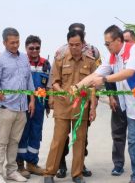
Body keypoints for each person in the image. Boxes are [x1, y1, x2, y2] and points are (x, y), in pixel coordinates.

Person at [75, 25, 135, 183]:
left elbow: (129, 72)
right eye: (105, 44)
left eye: (108, 43)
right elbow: (96, 74)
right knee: (134, 142)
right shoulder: (112, 57)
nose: (106, 47)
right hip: (132, 106)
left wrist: (105, 79)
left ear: (118, 40)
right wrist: (77, 86)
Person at [43, 30, 97, 183]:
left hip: (81, 108)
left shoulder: (91, 61)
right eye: (71, 45)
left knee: (79, 140)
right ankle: (49, 173)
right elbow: (54, 82)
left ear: (83, 44)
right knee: (58, 140)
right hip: (63, 106)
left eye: (77, 45)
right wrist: (63, 93)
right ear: (68, 44)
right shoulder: (60, 60)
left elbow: (93, 86)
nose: (74, 48)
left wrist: (93, 107)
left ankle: (77, 174)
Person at [0, 27, 35, 183]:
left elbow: (29, 80)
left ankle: (11, 171)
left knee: (14, 141)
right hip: (6, 107)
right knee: (1, 141)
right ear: (4, 42)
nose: (15, 45)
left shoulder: (24, 58)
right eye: (12, 43)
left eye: (17, 42)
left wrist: (32, 100)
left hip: (22, 108)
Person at [16, 35, 51, 178]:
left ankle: (32, 164)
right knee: (22, 133)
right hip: (23, 104)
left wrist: (48, 103)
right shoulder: (21, 62)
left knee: (36, 133)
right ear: (26, 48)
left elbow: (48, 86)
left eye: (37, 48)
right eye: (31, 48)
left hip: (40, 105)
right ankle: (19, 165)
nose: (35, 51)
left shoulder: (46, 64)